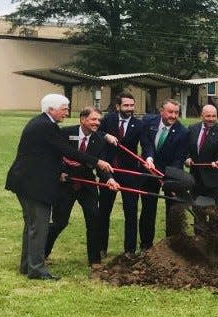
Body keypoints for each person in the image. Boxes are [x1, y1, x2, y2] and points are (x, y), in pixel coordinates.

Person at [5, 94, 112, 280]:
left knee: (31, 226)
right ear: (51, 109)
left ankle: (27, 265)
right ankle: (37, 269)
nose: (67, 112)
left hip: (26, 181)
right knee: (39, 227)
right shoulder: (46, 126)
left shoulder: (42, 123)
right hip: (33, 184)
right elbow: (67, 150)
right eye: (64, 108)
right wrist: (97, 162)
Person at [45, 106, 119, 269]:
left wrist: (110, 179)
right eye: (93, 119)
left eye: (99, 120)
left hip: (87, 183)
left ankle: (94, 261)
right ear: (83, 119)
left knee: (94, 219)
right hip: (66, 183)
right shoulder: (65, 133)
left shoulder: (99, 139)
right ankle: (42, 253)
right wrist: (60, 171)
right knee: (59, 222)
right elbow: (53, 156)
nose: (97, 123)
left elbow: (101, 165)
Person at [98, 92, 144, 257]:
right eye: (126, 105)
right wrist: (106, 135)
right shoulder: (108, 119)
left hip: (130, 172)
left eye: (132, 105)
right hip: (108, 170)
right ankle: (101, 247)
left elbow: (146, 144)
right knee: (104, 210)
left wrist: (149, 158)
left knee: (131, 212)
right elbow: (95, 132)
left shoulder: (139, 125)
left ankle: (129, 250)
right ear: (118, 106)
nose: (130, 109)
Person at [140, 99, 189, 248]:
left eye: (176, 112)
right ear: (161, 111)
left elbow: (179, 159)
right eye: (170, 112)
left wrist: (165, 177)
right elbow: (146, 142)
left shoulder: (183, 132)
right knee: (148, 210)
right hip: (149, 172)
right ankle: (146, 245)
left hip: (170, 175)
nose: (173, 116)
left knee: (172, 211)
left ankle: (171, 246)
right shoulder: (149, 122)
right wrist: (149, 158)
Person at [186, 104, 218, 206]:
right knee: (197, 213)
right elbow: (187, 149)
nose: (211, 119)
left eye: (214, 116)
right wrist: (187, 158)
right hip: (195, 180)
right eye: (208, 116)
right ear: (201, 116)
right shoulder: (192, 129)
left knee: (214, 215)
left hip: (214, 181)